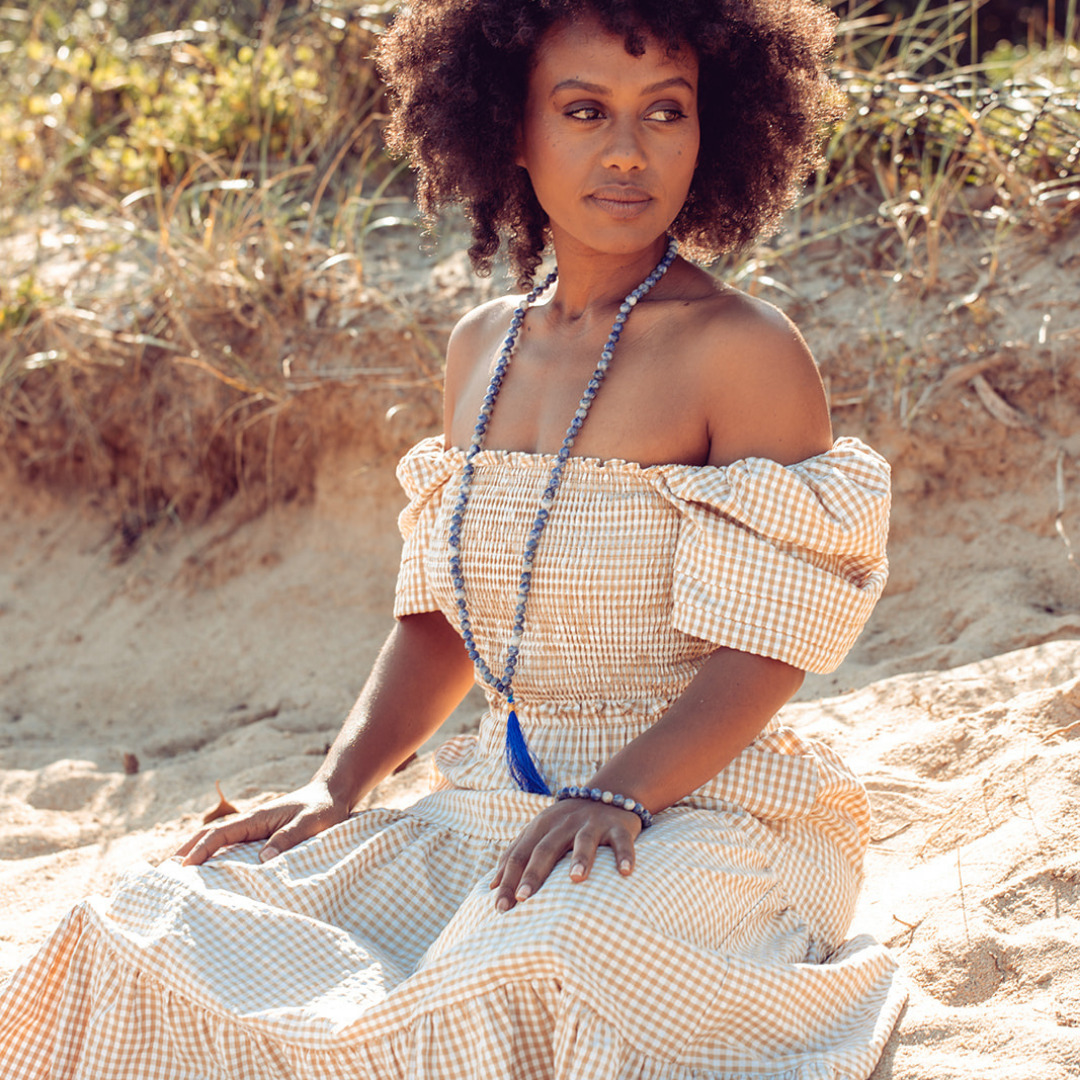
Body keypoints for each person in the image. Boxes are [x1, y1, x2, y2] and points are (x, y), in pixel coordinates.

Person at [0, 1, 907, 1077]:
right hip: (503, 798)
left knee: (532, 959)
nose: (628, 151)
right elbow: (437, 621)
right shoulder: (482, 348)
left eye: (666, 111)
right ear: (510, 133)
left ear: (714, 130)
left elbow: (771, 644)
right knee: (156, 916)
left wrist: (618, 792)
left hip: (707, 809)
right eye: (584, 111)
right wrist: (334, 788)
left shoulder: (744, 351)